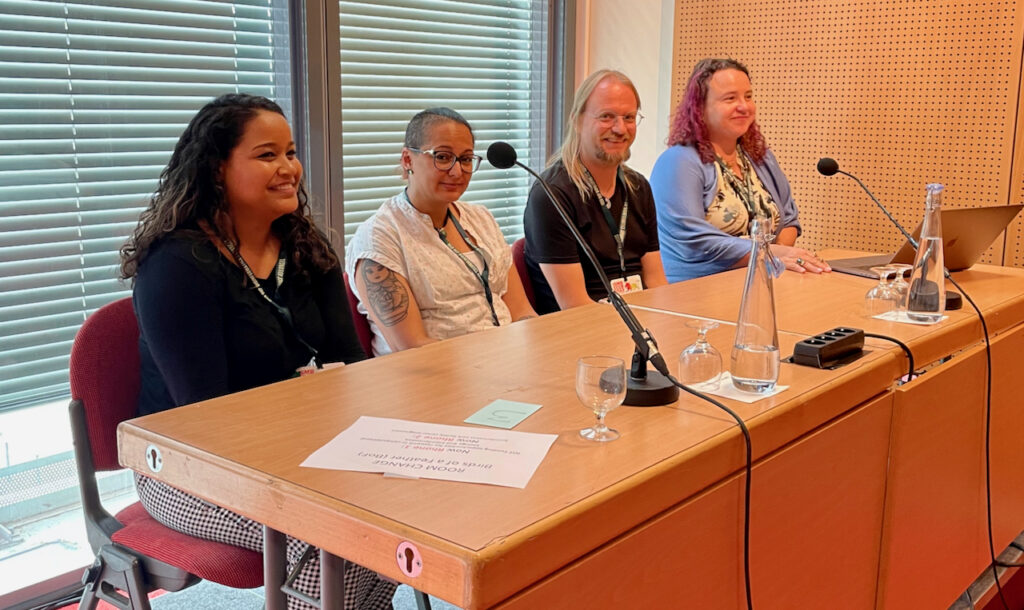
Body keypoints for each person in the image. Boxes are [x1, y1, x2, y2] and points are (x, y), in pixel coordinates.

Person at [120, 94, 395, 610]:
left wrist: (329, 397)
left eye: (290, 152)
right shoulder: (177, 265)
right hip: (186, 471)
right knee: (332, 536)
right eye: (267, 154)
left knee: (391, 512)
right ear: (216, 168)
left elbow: (353, 366)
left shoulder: (306, 246)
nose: (289, 168)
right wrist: (308, 396)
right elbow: (209, 416)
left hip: (301, 451)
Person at [345, 107, 536, 356]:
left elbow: (522, 313)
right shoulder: (379, 238)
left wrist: (537, 350)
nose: (457, 171)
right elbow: (412, 348)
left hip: (504, 366)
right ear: (407, 160)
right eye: (443, 157)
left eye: (466, 159)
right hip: (431, 381)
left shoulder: (482, 219)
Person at [650, 58, 830, 282]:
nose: (744, 106)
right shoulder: (678, 161)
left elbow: (790, 219)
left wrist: (781, 258)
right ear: (700, 109)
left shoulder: (760, 157)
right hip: (699, 291)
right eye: (730, 98)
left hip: (764, 280)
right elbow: (693, 239)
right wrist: (769, 254)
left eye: (748, 96)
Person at [522, 69, 668, 314]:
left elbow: (656, 282)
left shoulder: (638, 187)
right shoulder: (552, 194)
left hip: (639, 322)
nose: (620, 129)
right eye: (606, 116)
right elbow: (576, 307)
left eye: (629, 117)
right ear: (577, 120)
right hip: (583, 330)